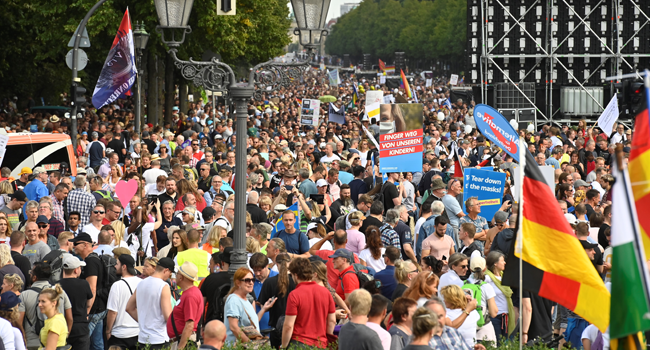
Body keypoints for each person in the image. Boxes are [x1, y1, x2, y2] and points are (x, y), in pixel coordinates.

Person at [281, 257, 336, 349]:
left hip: (299, 342)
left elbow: (288, 326)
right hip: (320, 343)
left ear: (296, 275)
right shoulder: (326, 292)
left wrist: (284, 346)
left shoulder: (294, 294)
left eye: (291, 275)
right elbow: (332, 321)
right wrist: (326, 337)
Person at [19, 262, 73, 350]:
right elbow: (70, 317)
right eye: (39, 301)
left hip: (31, 342)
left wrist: (23, 338)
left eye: (43, 301)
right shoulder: (59, 292)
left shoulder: (25, 295)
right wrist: (64, 335)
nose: (40, 304)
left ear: (34, 277)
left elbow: (18, 321)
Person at [125, 257, 174, 349]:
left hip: (142, 338)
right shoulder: (164, 286)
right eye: (170, 273)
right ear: (166, 270)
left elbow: (129, 308)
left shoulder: (141, 283)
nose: (169, 276)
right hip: (159, 338)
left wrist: (144, 321)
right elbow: (168, 316)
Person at [70, 232, 107, 350]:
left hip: (93, 310)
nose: (74, 246)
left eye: (76, 243)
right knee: (97, 344)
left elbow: (92, 288)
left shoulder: (91, 261)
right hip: (99, 307)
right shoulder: (93, 258)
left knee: (82, 343)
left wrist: (86, 312)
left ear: (86, 245)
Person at [223, 267, 275, 345]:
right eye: (247, 280)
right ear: (238, 283)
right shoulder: (234, 300)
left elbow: (253, 322)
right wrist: (250, 344)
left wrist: (264, 309)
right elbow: (233, 327)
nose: (251, 283)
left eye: (252, 280)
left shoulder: (245, 300)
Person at [105, 254, 141, 350]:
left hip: (120, 335)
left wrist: (108, 331)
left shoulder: (117, 285)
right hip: (139, 333)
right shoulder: (142, 283)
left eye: (117, 264)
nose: (115, 266)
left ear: (124, 267)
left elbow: (113, 312)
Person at [57, 254, 93, 350]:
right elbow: (89, 303)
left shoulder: (57, 285)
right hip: (80, 327)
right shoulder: (84, 283)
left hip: (62, 327)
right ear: (76, 270)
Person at [167, 262, 204, 350]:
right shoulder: (190, 293)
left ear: (181, 277)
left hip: (183, 342)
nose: (175, 276)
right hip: (183, 340)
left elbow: (189, 325)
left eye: (177, 273)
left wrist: (180, 348)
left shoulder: (190, 296)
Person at [465, 256, 498, 344]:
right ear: (485, 269)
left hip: (467, 332)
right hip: (484, 332)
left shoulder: (462, 285)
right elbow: (493, 313)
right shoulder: (486, 286)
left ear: (470, 269)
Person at [485, 251, 515, 345]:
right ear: (495, 263)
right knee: (498, 344)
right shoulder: (488, 278)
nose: (505, 263)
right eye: (503, 261)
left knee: (507, 344)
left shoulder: (504, 276)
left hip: (507, 316)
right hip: (496, 317)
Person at [37, 284, 69, 350]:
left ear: (54, 303)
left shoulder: (55, 322)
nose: (39, 305)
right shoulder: (54, 319)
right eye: (39, 301)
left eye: (43, 301)